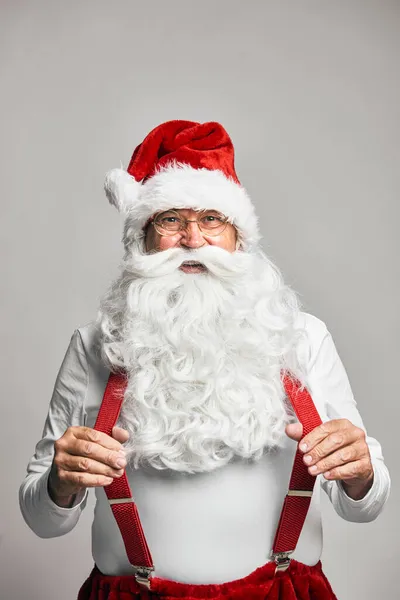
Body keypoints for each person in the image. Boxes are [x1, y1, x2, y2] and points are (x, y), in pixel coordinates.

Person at [20, 120, 390, 600]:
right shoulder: (95, 345)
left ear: (240, 238)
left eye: (212, 218)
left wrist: (361, 474)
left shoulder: (301, 337)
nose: (193, 239)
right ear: (143, 239)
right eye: (171, 219)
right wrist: (58, 482)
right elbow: (41, 519)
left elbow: (365, 505)